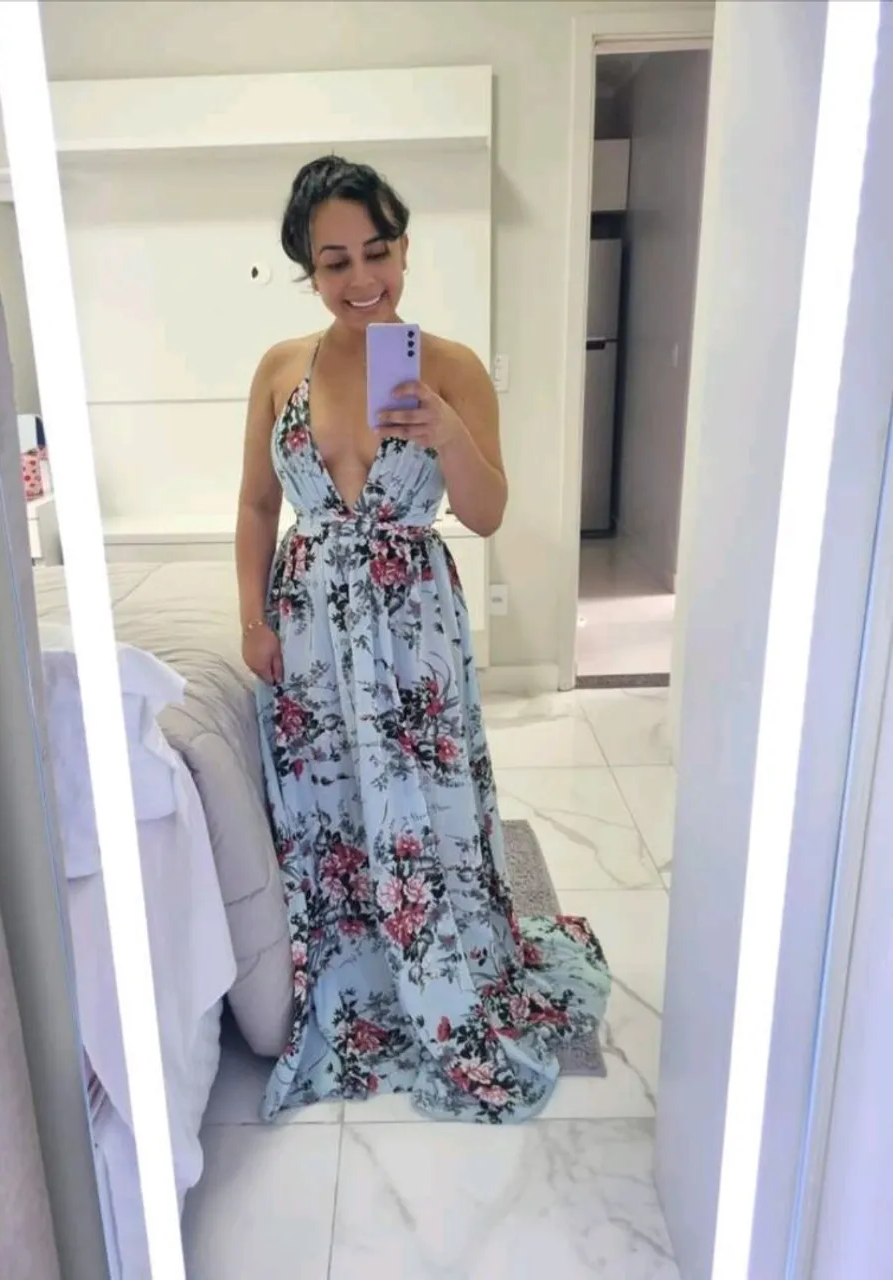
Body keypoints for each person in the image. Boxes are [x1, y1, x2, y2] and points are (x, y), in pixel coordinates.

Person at [236, 155, 609, 1123]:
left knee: (430, 808)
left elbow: (486, 513)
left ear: (404, 248)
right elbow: (258, 503)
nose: (363, 278)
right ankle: (358, 983)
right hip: (312, 630)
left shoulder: (450, 366)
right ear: (308, 270)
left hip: (413, 634)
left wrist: (445, 431)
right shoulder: (280, 369)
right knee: (331, 810)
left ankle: (445, 974)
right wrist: (252, 618)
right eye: (335, 262)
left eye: (379, 251)